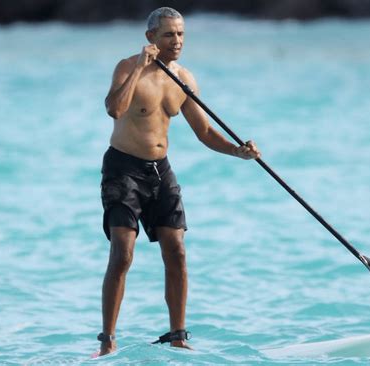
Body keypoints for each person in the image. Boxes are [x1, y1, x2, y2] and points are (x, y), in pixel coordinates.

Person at [97, 7, 261, 356]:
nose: (177, 42)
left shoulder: (183, 78)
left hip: (160, 171)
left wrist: (237, 151)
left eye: (181, 34)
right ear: (151, 38)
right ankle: (108, 342)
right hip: (122, 170)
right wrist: (140, 67)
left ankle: (177, 336)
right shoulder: (128, 67)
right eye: (170, 34)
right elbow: (114, 108)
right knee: (123, 254)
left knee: (177, 252)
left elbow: (203, 131)